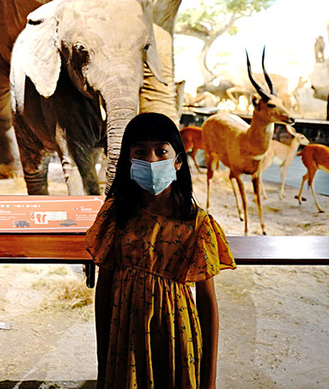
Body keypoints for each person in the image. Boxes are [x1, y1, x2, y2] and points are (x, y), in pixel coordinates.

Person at [88, 112, 234, 389]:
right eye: (140, 151)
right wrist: (102, 361)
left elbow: (207, 302)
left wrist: (209, 380)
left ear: (178, 161)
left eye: (161, 151)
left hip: (176, 337)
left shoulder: (197, 224)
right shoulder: (115, 216)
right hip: (125, 337)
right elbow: (104, 289)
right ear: (128, 160)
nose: (151, 160)